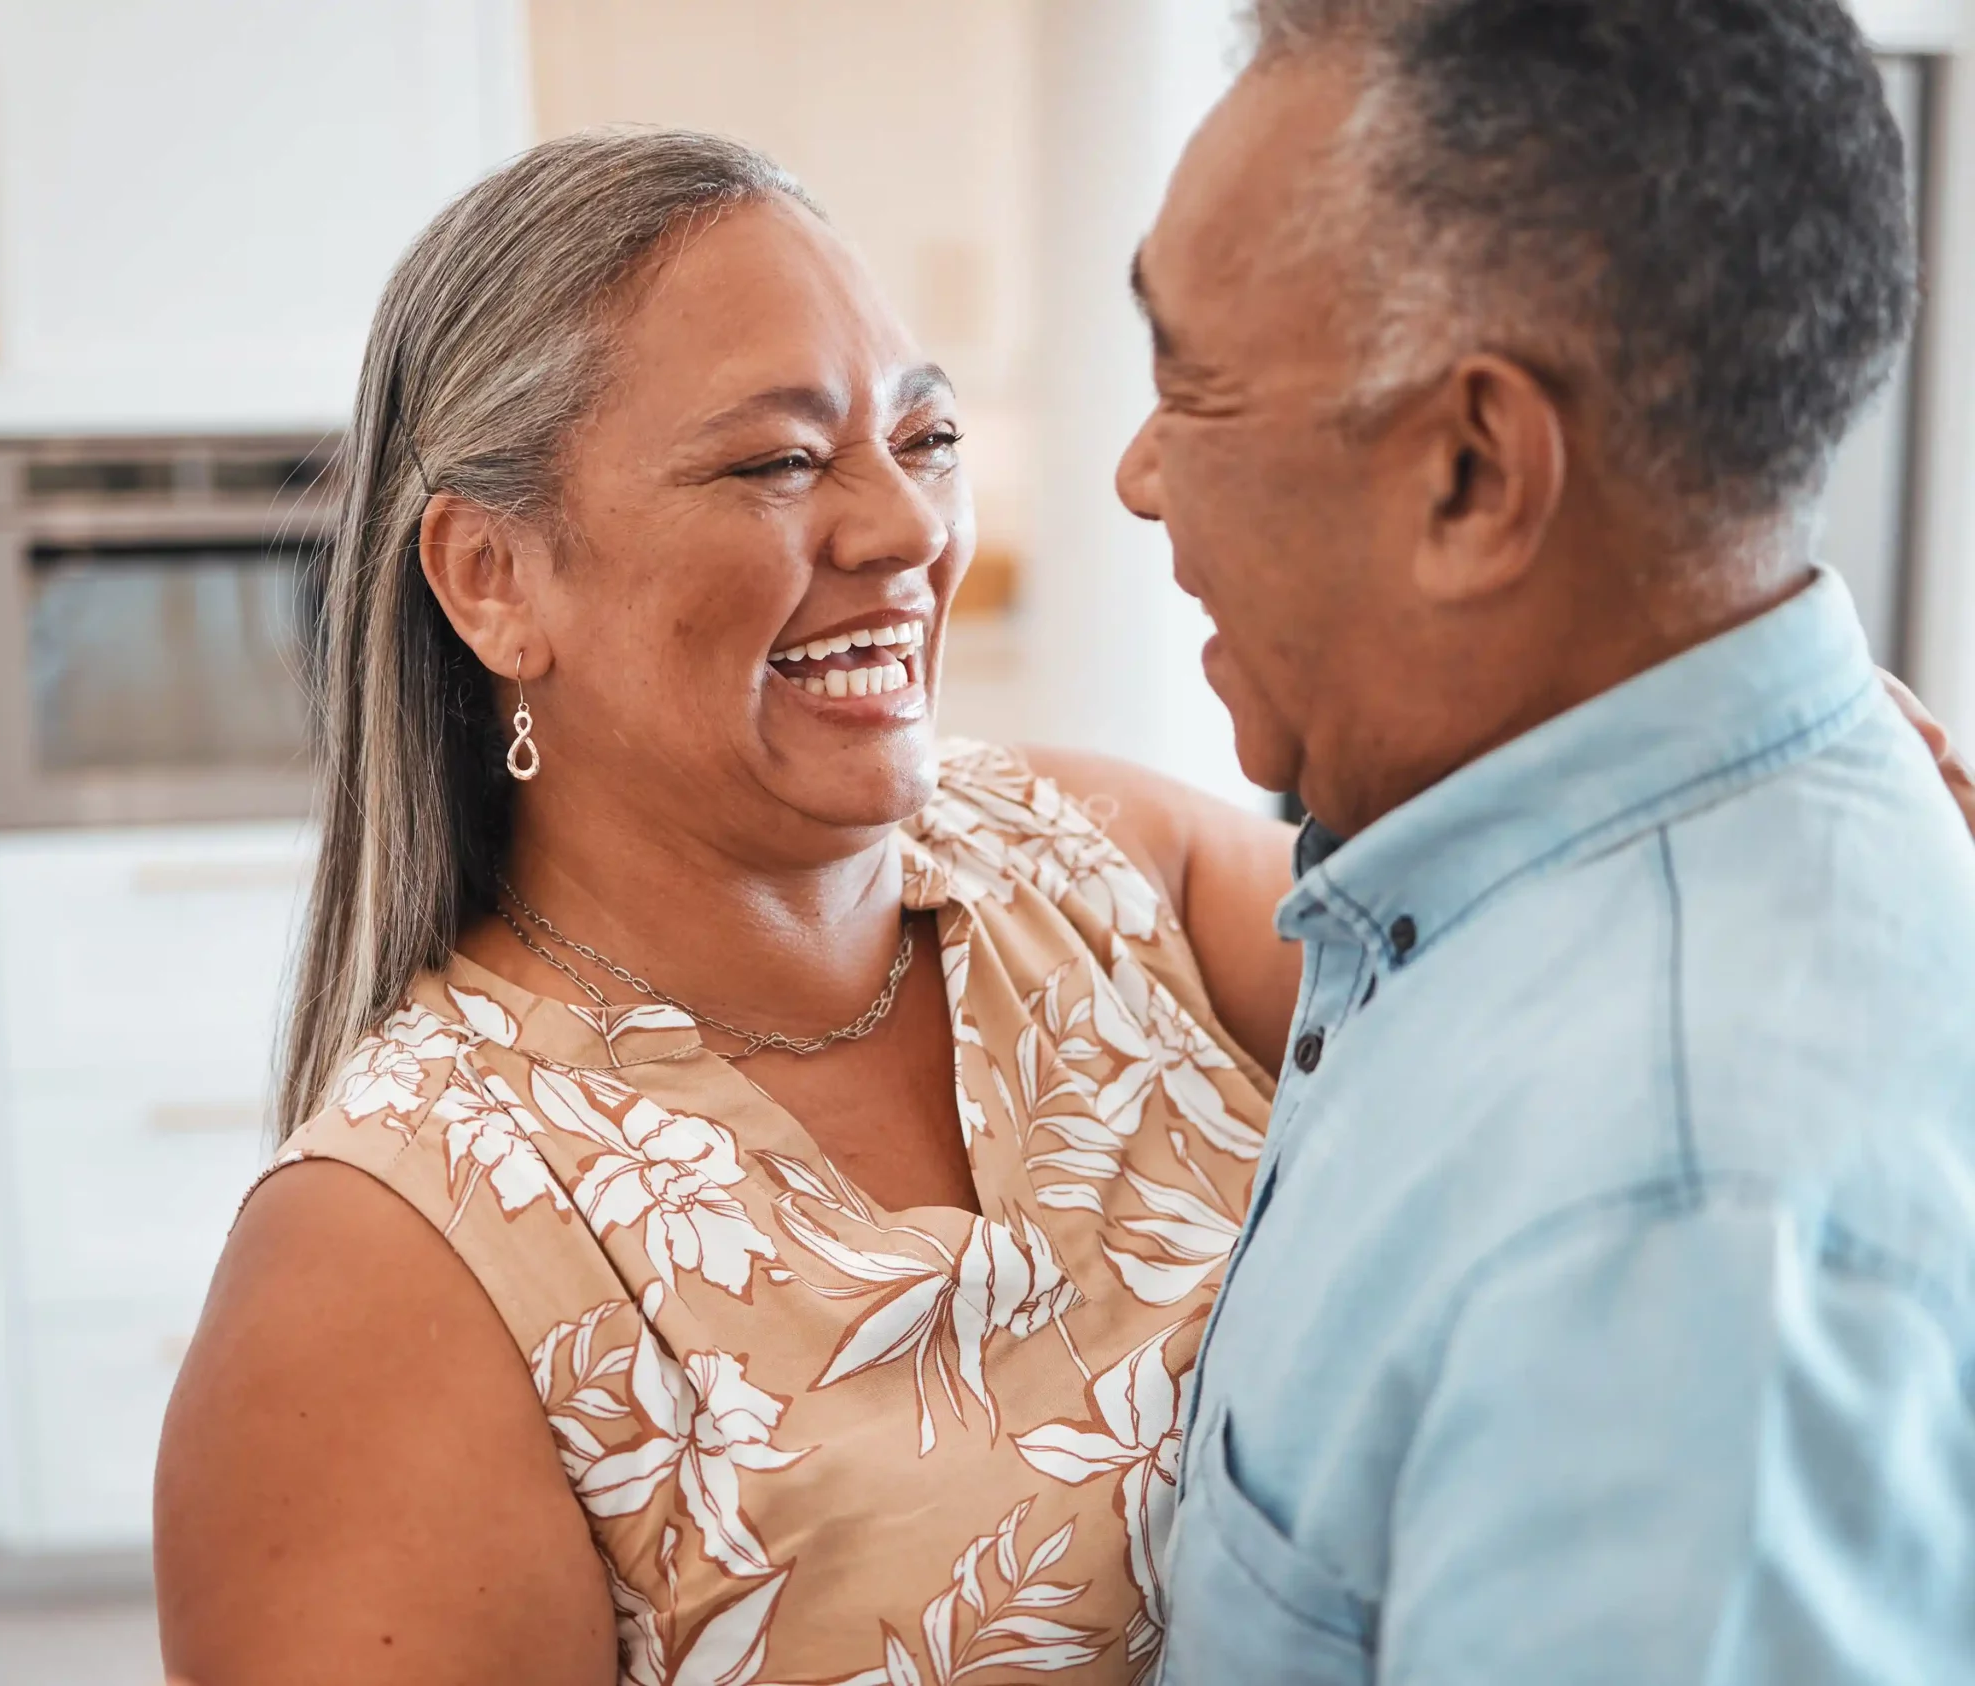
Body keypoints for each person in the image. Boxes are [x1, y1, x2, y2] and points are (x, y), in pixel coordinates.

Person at [153, 126, 1975, 1686]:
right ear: (493, 578)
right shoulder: (377, 1273)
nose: (902, 530)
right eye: (779, 460)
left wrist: (1759, 743)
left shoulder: (1100, 865)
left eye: (924, 436)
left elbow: (1564, 978)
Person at [1121, 3, 1975, 1682]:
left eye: (1191, 386)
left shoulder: (1670, 1225)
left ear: (1472, 473)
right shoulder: (1570, 837)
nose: (1142, 475)